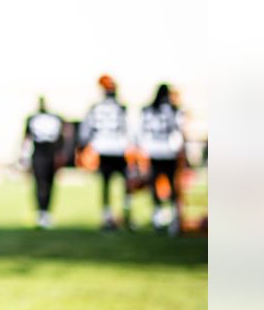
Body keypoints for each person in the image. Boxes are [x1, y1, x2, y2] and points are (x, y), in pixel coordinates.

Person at [78, 74, 133, 231]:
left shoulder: (95, 107)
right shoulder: (121, 107)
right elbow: (130, 129)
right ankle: (126, 214)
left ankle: (107, 216)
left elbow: (85, 131)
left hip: (102, 149)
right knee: (126, 184)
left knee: (106, 185)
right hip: (119, 148)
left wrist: (83, 147)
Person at [138, 83, 186, 235]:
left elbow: (142, 131)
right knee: (172, 185)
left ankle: (158, 216)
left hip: (154, 151)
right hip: (169, 151)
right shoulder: (174, 110)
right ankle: (173, 218)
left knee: (154, 184)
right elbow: (179, 132)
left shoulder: (148, 111)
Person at [21, 97, 64, 229]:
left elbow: (61, 138)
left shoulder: (56, 118)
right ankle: (40, 213)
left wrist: (60, 155)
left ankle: (46, 212)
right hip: (38, 153)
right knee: (40, 184)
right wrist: (24, 157)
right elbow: (27, 138)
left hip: (51, 153)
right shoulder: (32, 118)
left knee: (49, 184)